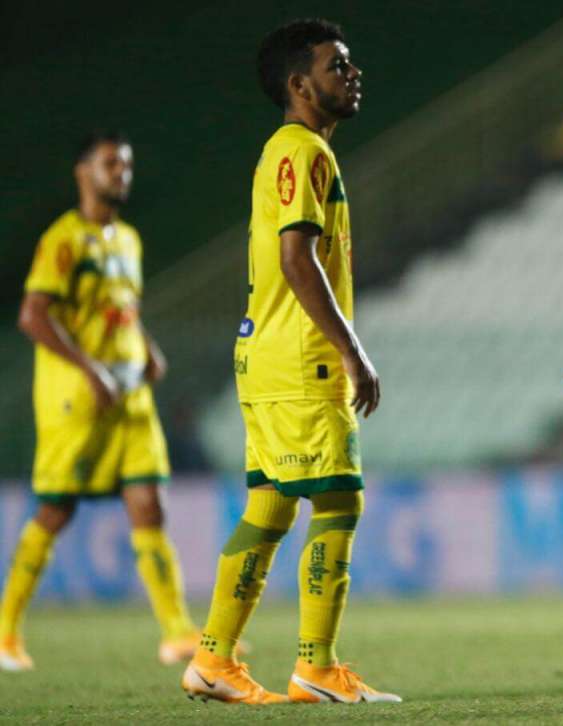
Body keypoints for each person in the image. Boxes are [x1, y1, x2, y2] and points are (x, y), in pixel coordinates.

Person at [181, 18, 400, 706]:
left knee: (271, 507)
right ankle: (316, 666)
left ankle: (213, 660)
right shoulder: (303, 151)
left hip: (265, 353)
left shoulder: (291, 150)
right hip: (300, 357)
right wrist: (351, 348)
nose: (352, 72)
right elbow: (296, 258)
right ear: (300, 85)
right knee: (340, 499)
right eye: (338, 65)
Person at [0, 132, 199, 671]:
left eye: (127, 165)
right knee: (56, 509)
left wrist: (149, 349)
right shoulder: (64, 240)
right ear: (82, 172)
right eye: (111, 164)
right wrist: (89, 371)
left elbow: (120, 309)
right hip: (78, 398)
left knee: (148, 504)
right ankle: (4, 632)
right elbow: (32, 315)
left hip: (129, 393)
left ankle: (178, 633)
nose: (122, 174)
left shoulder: (128, 239)